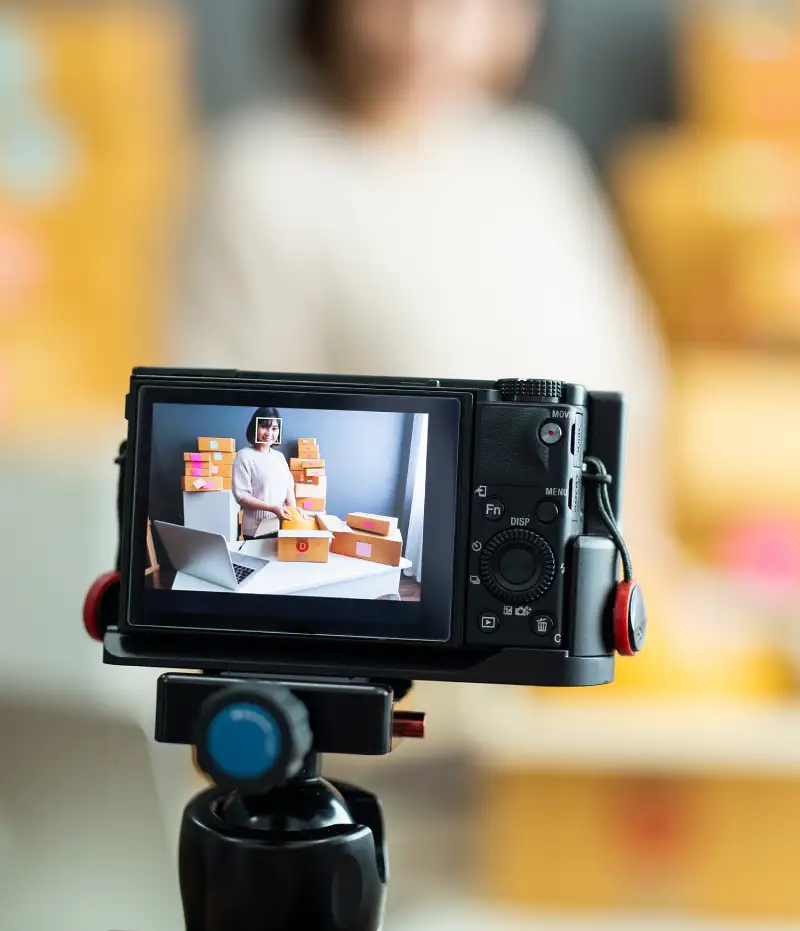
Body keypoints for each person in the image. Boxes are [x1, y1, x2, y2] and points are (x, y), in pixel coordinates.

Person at [171, 0, 746, 651]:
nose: (423, 29)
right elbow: (226, 425)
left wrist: (641, 581)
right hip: (384, 624)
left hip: (570, 620)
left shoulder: (535, 163)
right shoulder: (265, 174)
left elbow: (633, 400)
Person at [233, 407, 297, 539]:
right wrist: (272, 508)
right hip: (256, 529)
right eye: (264, 427)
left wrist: (294, 512)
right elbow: (242, 496)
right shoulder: (244, 456)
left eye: (274, 428)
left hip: (281, 526)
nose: (269, 433)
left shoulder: (279, 457)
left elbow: (288, 489)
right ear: (254, 428)